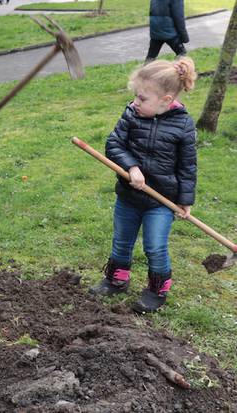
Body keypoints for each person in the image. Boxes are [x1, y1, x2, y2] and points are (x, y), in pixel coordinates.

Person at [90, 57, 198, 313]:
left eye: (142, 99)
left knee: (155, 246)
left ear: (166, 100)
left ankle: (156, 290)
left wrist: (185, 200)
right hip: (129, 196)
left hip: (161, 201)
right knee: (121, 241)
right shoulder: (131, 114)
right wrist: (132, 167)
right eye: (136, 97)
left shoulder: (183, 125)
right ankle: (117, 279)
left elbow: (187, 167)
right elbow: (113, 144)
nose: (136, 102)